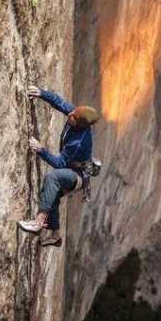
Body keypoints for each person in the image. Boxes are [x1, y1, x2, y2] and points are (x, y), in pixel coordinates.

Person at [18, 85, 100, 247]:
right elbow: (60, 103)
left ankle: (38, 222)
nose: (69, 114)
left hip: (77, 176)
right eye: (72, 112)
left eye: (72, 116)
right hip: (70, 169)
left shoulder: (78, 142)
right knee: (51, 193)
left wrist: (41, 149)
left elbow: (58, 163)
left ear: (79, 124)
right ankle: (55, 236)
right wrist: (41, 93)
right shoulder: (76, 115)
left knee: (52, 178)